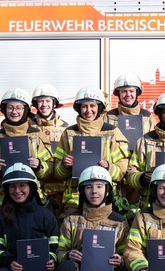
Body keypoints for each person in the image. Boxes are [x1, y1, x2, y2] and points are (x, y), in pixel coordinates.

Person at [53, 87, 129, 215]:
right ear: (78, 108)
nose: (88, 110)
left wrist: (109, 167)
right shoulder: (69, 133)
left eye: (92, 106)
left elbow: (122, 171)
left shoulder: (113, 132)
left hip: (106, 197)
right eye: (84, 106)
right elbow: (57, 172)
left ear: (99, 107)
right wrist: (64, 166)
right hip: (74, 198)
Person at [0, 88, 51, 212]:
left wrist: (39, 166)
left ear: (26, 110)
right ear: (4, 110)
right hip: (1, 201)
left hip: (32, 200)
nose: (14, 112)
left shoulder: (36, 135)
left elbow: (50, 168)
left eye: (19, 108)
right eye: (10, 108)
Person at [104, 74, 156, 214]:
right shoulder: (109, 117)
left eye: (131, 91)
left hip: (139, 170)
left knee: (137, 210)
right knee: (116, 210)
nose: (128, 94)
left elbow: (154, 142)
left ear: (137, 93)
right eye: (124, 91)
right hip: (116, 171)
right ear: (118, 94)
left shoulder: (147, 116)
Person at [28, 84, 69, 216]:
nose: (44, 104)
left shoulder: (66, 128)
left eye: (47, 101)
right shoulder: (28, 127)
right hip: (36, 189)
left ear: (54, 103)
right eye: (40, 101)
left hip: (61, 190)